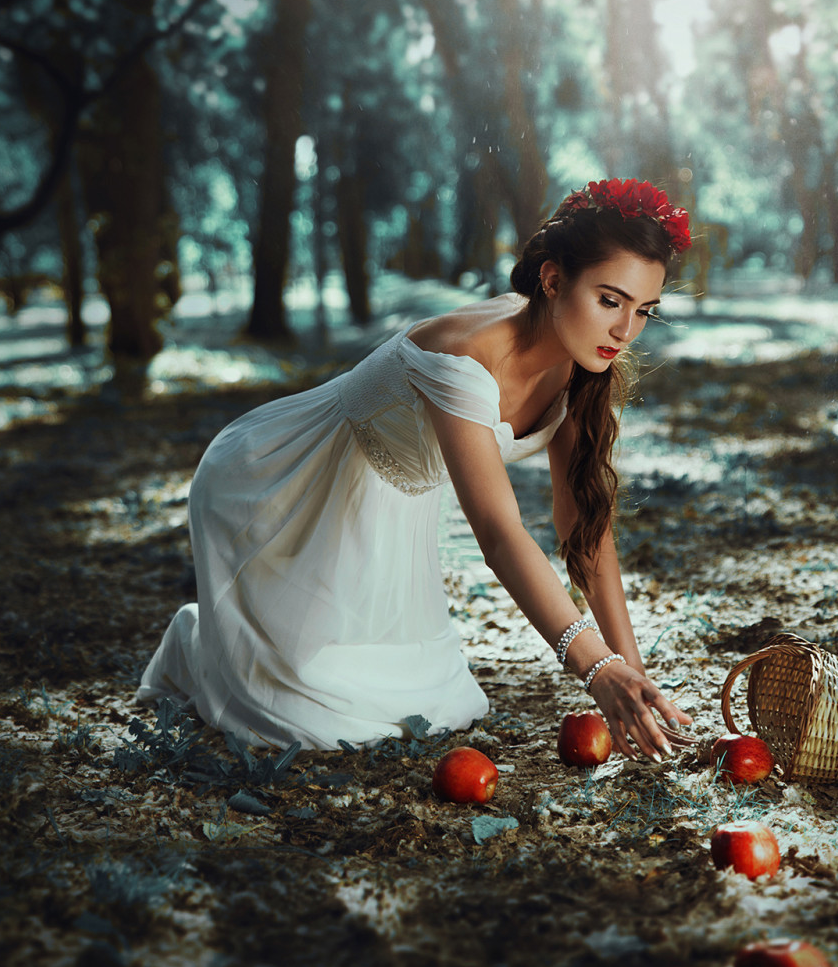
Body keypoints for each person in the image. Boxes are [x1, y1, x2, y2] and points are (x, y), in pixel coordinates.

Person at [138, 178, 694, 761]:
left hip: (387, 505)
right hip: (280, 480)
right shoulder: (466, 361)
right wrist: (595, 668)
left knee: (429, 710)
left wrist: (635, 679)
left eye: (644, 311)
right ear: (554, 280)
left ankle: (235, 645)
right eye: (610, 300)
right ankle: (198, 643)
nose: (626, 331)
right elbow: (500, 534)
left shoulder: (582, 357)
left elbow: (584, 523)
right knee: (303, 723)